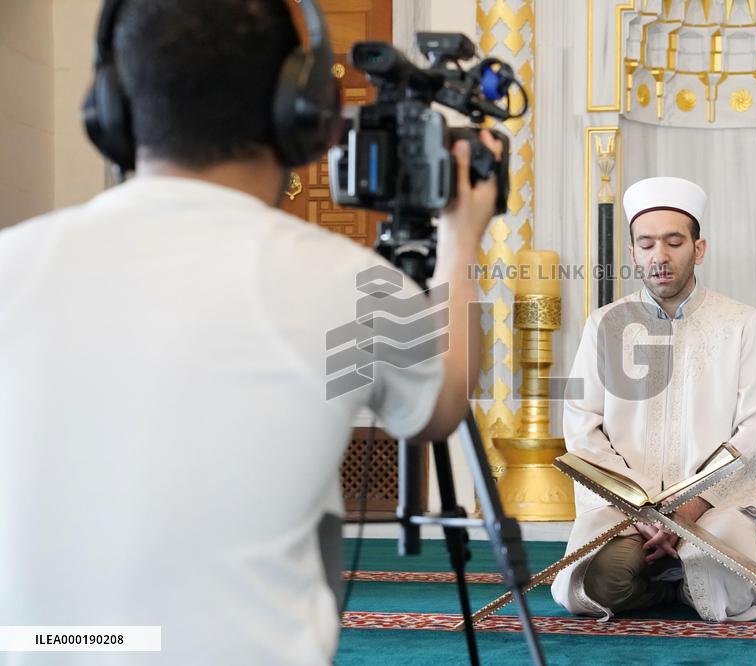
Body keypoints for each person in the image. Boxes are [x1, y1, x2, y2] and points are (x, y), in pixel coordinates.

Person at [0, 1, 499, 664]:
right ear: (306, 115)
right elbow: (442, 404)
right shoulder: (344, 281)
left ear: (111, 111)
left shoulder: (12, 263)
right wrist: (460, 243)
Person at [551, 176, 756, 623]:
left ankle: (685, 575)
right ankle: (669, 589)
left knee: (726, 585)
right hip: (625, 510)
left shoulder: (741, 324)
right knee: (595, 583)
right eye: (647, 243)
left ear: (699, 249)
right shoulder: (605, 325)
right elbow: (581, 425)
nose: (660, 256)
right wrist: (639, 511)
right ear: (634, 252)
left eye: (674, 242)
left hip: (713, 509)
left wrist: (689, 509)